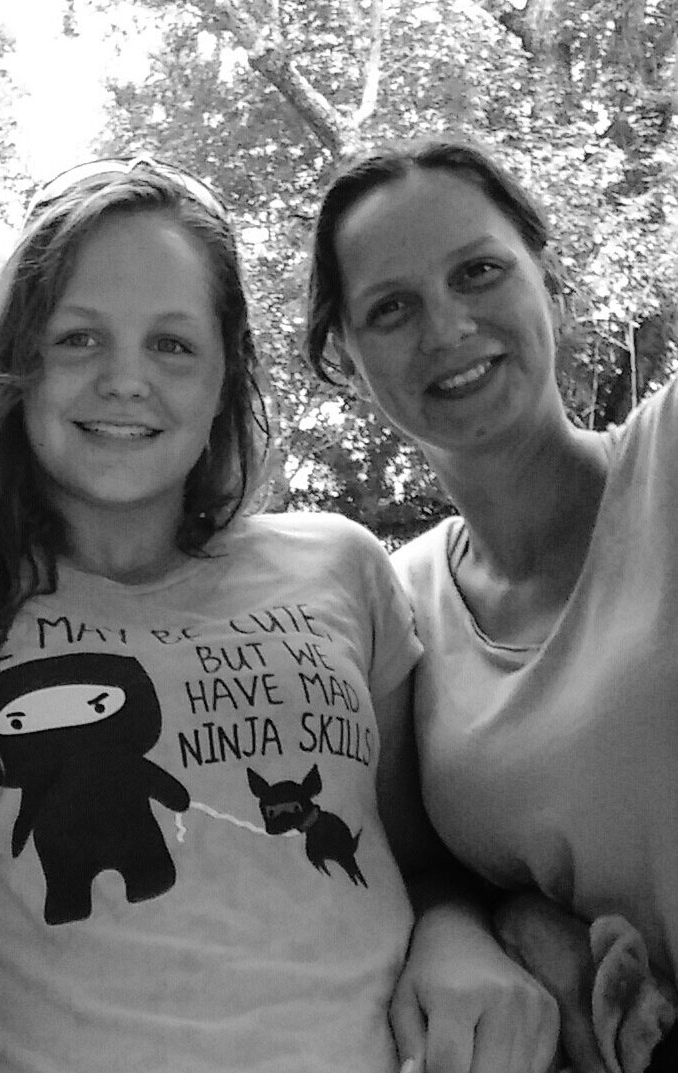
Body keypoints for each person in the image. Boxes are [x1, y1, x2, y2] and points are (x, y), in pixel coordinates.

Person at [0, 156, 555, 1073]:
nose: (125, 379)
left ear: (225, 374)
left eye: (171, 343)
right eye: (78, 338)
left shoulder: (340, 562)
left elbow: (421, 861)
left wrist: (454, 934)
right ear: (18, 360)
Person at [305, 137, 677, 1072]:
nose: (446, 327)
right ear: (345, 359)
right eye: (391, 309)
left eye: (477, 272)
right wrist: (502, 922)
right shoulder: (394, 603)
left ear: (547, 283)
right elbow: (426, 870)